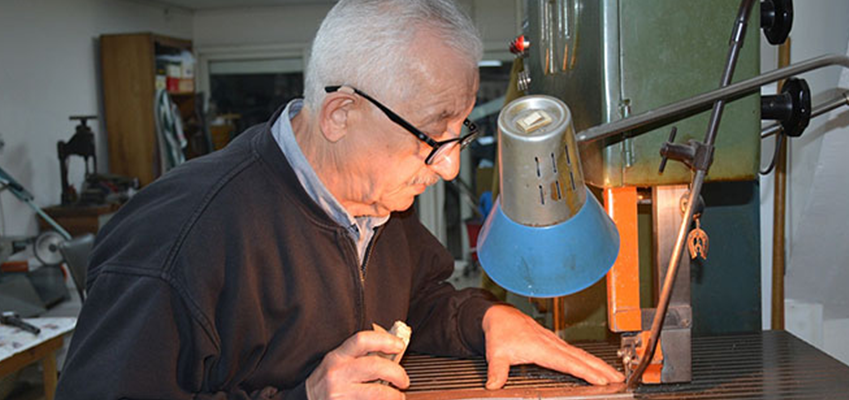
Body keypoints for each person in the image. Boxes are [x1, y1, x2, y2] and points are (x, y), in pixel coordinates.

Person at [55, 0, 624, 399]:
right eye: (432, 136)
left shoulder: (380, 205)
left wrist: (485, 319)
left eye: (461, 132)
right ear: (341, 115)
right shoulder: (178, 240)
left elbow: (419, 300)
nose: (450, 166)